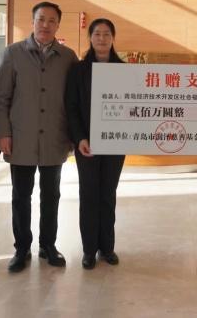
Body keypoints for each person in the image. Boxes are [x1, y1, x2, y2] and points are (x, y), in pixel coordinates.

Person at [0, 1, 79, 272]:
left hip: (55, 137)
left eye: (52, 20)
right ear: (32, 22)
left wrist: (73, 136)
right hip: (21, 138)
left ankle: (48, 245)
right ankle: (21, 249)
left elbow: (74, 100)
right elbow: (2, 98)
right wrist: (3, 133)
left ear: (58, 25)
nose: (46, 25)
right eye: (41, 19)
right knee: (21, 196)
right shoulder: (13, 53)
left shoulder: (68, 57)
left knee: (51, 196)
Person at [65, 18, 126, 270]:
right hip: (86, 144)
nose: (102, 38)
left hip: (116, 143)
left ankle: (107, 248)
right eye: (97, 34)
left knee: (108, 195)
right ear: (90, 38)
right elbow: (71, 107)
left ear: (113, 38)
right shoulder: (78, 70)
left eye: (107, 34)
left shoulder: (124, 70)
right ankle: (89, 250)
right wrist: (80, 137)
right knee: (89, 194)